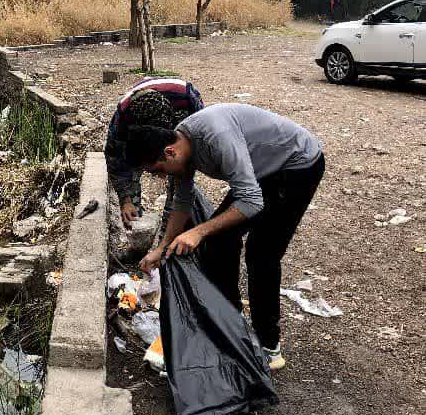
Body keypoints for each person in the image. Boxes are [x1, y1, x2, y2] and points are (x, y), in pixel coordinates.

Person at [130, 103, 325, 371]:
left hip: (297, 164)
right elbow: (183, 201)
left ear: (169, 152)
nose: (161, 177)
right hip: (261, 172)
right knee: (218, 240)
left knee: (261, 253)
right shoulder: (180, 142)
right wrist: (161, 248)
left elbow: (252, 201)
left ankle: (269, 347)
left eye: (158, 170)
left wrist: (198, 231)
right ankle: (232, 324)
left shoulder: (215, 137)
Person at [104, 77, 204, 226]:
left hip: (177, 117)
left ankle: (169, 226)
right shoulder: (122, 120)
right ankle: (135, 222)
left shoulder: (188, 102)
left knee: (179, 180)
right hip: (139, 131)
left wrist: (170, 167)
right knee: (131, 179)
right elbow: (116, 161)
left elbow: (195, 148)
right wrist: (125, 199)